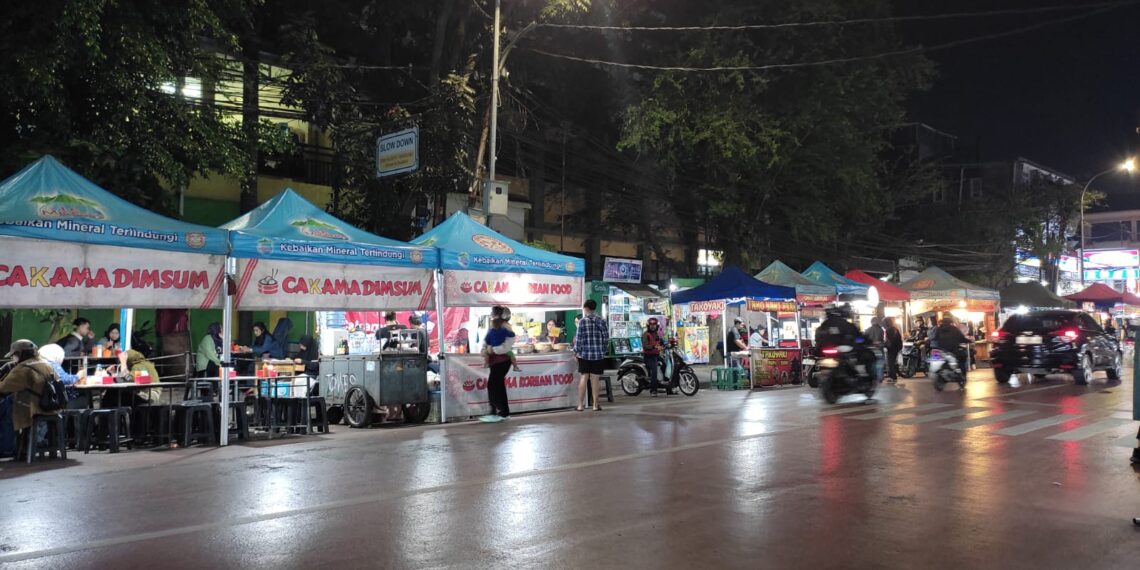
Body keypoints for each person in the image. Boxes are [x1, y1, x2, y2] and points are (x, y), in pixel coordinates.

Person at [0, 340, 57, 451]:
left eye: (14, 355)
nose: (13, 359)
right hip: (50, 405)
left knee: (7, 407)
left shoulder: (22, 369)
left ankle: (6, 448)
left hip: (31, 408)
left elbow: (3, 388)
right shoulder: (44, 363)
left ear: (21, 354)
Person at [573, 299, 609, 412]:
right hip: (598, 355)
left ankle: (580, 405)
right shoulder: (602, 321)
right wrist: (602, 350)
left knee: (584, 378)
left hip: (584, 355)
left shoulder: (582, 322)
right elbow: (606, 338)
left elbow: (579, 340)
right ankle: (595, 405)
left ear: (586, 308)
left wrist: (575, 351)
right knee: (595, 380)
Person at [481, 315, 516, 422]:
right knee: (497, 385)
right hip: (495, 361)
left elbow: (506, 346)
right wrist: (485, 349)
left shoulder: (506, 327)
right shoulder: (493, 327)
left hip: (503, 361)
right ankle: (501, 411)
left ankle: (498, 411)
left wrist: (492, 350)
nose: (492, 316)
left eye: (494, 314)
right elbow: (486, 341)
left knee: (494, 385)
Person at [38, 344, 85, 408]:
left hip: (39, 400)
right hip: (52, 402)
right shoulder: (50, 364)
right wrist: (78, 376)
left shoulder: (37, 363)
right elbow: (64, 379)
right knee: (84, 399)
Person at [483, 308, 521, 372]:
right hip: (502, 359)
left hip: (495, 355)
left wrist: (488, 347)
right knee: (512, 355)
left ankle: (486, 364)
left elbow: (487, 340)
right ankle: (515, 366)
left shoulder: (491, 330)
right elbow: (512, 336)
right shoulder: (505, 328)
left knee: (487, 354)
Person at [641, 317, 666, 396]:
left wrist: (665, 343)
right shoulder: (646, 334)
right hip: (649, 356)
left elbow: (660, 342)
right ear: (648, 326)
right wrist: (653, 346)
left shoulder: (656, 334)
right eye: (651, 325)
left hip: (656, 355)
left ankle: (665, 385)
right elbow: (645, 346)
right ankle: (653, 390)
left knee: (665, 365)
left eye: (654, 325)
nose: (653, 326)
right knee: (654, 370)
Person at [863, 316, 885, 381]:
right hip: (879, 349)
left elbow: (864, 340)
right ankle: (880, 377)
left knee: (872, 363)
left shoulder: (867, 330)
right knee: (879, 364)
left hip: (870, 349)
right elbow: (882, 339)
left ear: (871, 322)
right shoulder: (881, 330)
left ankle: (873, 376)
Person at [884, 317, 904, 383]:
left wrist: (885, 345)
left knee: (890, 363)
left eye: (884, 322)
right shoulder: (895, 329)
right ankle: (894, 377)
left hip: (892, 348)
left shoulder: (888, 330)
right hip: (896, 348)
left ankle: (892, 377)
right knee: (892, 362)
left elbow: (889, 340)